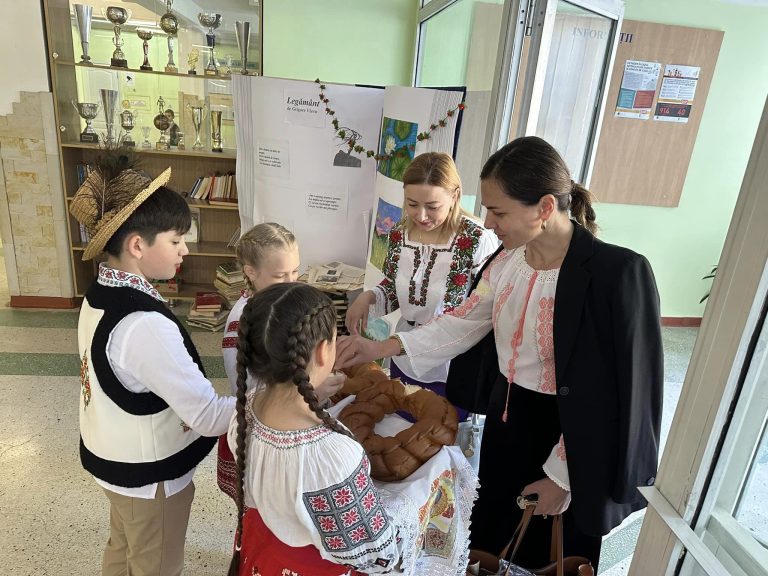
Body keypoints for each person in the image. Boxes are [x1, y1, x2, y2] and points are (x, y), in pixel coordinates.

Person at [335, 136, 663, 571]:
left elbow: (615, 391)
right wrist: (382, 347)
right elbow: (462, 322)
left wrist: (562, 476)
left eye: (499, 211)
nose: (488, 223)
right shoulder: (508, 262)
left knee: (552, 552)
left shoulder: (616, 273)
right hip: (509, 417)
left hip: (574, 436)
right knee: (494, 541)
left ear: (545, 207)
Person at [69, 162, 235, 576]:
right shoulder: (144, 324)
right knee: (156, 564)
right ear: (137, 245)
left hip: (114, 459)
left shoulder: (100, 291)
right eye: (176, 240)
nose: (184, 250)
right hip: (149, 477)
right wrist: (276, 400)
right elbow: (207, 415)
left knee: (124, 548)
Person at [227, 282, 403, 575]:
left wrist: (313, 394)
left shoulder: (244, 412)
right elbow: (378, 558)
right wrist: (412, 504)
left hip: (261, 553)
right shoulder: (334, 456)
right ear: (323, 351)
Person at [345, 152, 498, 421]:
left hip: (453, 361)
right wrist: (369, 296)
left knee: (441, 431)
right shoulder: (399, 232)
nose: (421, 215)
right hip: (405, 353)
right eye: (412, 204)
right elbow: (397, 287)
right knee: (404, 426)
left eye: (432, 206)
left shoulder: (476, 239)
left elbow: (483, 308)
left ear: (455, 196)